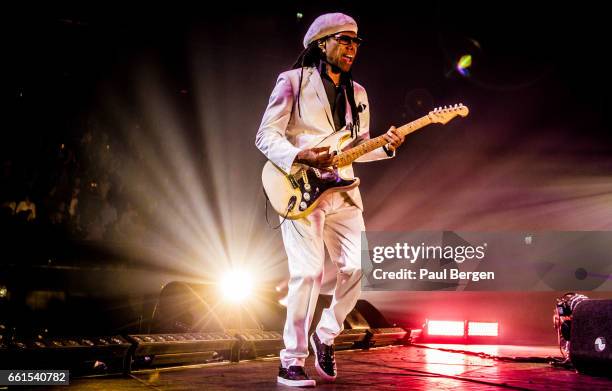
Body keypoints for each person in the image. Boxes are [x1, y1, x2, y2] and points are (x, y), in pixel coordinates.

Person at [255, 12, 405, 387]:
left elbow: (356, 148)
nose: (352, 48)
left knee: (358, 269)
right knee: (308, 273)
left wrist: (384, 147)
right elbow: (265, 136)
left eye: (356, 42)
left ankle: (325, 334)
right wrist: (303, 156)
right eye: (344, 40)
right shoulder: (291, 81)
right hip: (301, 190)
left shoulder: (359, 94)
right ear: (321, 43)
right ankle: (290, 360)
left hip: (344, 192)